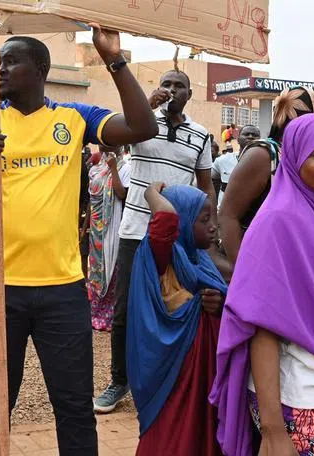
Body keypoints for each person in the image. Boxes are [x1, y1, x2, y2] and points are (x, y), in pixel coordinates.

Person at [0, 29, 156, 456]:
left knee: (74, 403)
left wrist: (113, 59)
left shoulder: (73, 119)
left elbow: (141, 126)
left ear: (40, 70)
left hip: (61, 286)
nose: (0, 68)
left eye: (11, 61)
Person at [211, 114, 314, 456]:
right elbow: (263, 328)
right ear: (294, 157)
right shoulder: (280, 221)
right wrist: (273, 431)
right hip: (297, 398)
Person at [96, 69, 215, 414]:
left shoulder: (201, 135)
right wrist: (145, 106)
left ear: (190, 95)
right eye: (166, 84)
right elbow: (108, 146)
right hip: (136, 231)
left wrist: (211, 226)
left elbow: (206, 185)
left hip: (178, 238)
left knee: (174, 305)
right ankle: (119, 382)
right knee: (125, 311)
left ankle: (168, 378)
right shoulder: (142, 124)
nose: (172, 90)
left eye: (179, 85)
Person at [127, 182, 227, 456]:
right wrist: (151, 193)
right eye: (203, 219)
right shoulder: (162, 255)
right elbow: (166, 220)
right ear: (182, 223)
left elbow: (230, 305)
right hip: (173, 373)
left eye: (212, 217)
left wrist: (219, 305)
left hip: (204, 369)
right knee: (174, 436)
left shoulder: (201, 260)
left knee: (202, 430)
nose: (212, 226)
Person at [218, 85, 314, 263]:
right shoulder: (264, 154)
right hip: (258, 257)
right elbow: (228, 216)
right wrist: (243, 270)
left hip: (290, 259)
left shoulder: (304, 156)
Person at [86, 146, 130, 331]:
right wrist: (85, 226)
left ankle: (109, 315)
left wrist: (113, 169)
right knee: (96, 268)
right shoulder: (96, 167)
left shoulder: (124, 166)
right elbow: (91, 199)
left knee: (111, 267)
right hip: (96, 228)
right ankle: (95, 313)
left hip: (112, 224)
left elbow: (122, 194)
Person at [212, 125, 260, 194]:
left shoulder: (267, 164)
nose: (250, 137)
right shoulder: (222, 160)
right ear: (238, 140)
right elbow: (209, 181)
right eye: (246, 134)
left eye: (255, 135)